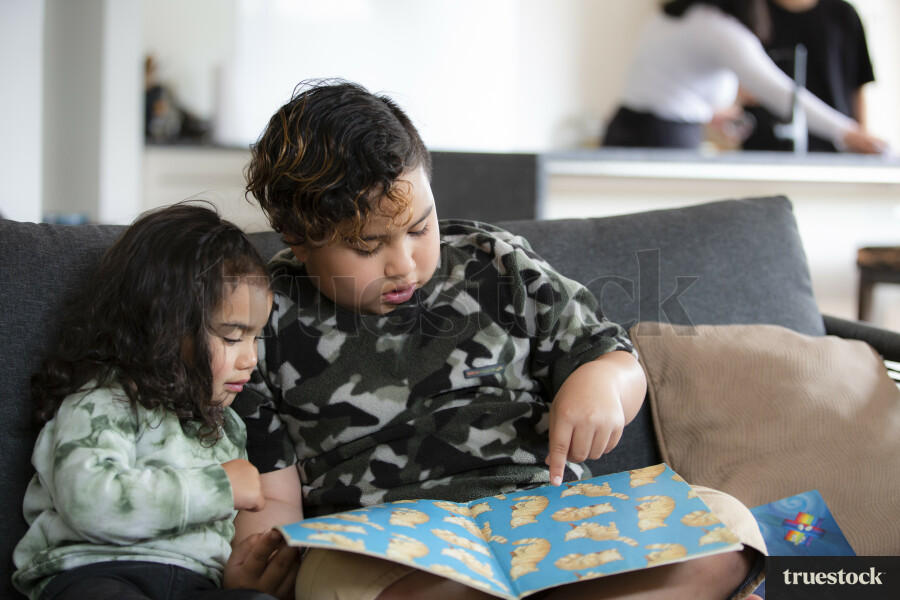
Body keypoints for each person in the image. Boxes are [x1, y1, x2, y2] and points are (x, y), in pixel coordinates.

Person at [230, 78, 767, 600]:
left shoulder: (496, 261)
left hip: (549, 523)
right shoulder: (260, 318)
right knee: (334, 582)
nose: (404, 264)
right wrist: (259, 560)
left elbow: (610, 355)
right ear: (297, 238)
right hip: (390, 546)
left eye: (419, 228)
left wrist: (603, 383)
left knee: (728, 529)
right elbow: (270, 487)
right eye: (368, 246)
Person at [11, 204, 290, 600]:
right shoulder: (103, 402)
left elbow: (210, 543)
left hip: (194, 585)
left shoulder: (228, 429)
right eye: (232, 337)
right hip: (97, 572)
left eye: (255, 338)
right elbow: (90, 503)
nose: (251, 359)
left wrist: (237, 570)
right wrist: (218, 486)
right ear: (164, 328)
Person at [601, 0, 884, 154]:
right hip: (664, 139)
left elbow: (667, 88)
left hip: (626, 127)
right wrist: (847, 132)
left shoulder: (676, 15)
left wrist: (709, 113)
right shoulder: (720, 30)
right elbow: (781, 94)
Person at [740, 0, 875, 152]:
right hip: (763, 149)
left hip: (833, 150)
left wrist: (860, 137)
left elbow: (858, 86)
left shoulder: (843, 14)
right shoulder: (750, 12)